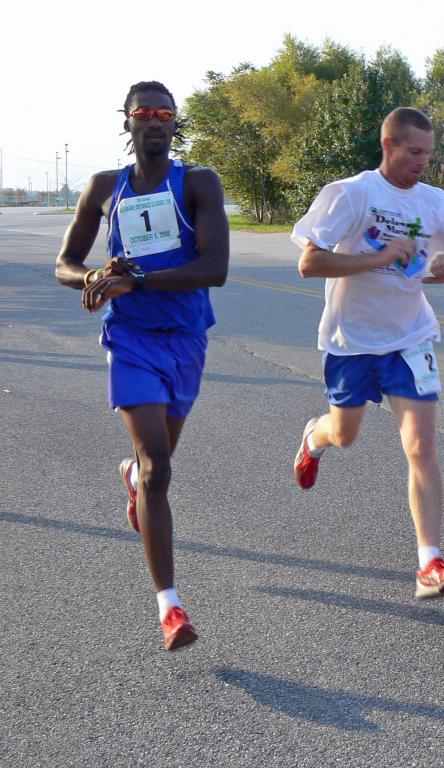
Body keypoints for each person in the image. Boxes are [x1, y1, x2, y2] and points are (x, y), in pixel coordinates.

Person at [55, 81, 229, 650]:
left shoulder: (198, 182)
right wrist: (94, 278)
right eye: (143, 112)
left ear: (174, 123)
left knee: (157, 462)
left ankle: (130, 477)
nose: (155, 120)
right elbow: (65, 263)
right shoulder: (105, 187)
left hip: (185, 338)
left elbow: (215, 268)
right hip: (130, 337)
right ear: (127, 121)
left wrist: (141, 279)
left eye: (164, 113)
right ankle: (170, 608)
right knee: (159, 470)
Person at [290, 107, 444, 599]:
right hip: (351, 341)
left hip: (410, 337)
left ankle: (429, 563)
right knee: (345, 434)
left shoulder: (435, 202)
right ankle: (315, 437)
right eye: (414, 152)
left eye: (429, 153)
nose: (423, 162)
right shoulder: (352, 193)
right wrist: (379, 256)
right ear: (388, 146)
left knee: (422, 445)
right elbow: (309, 263)